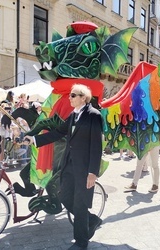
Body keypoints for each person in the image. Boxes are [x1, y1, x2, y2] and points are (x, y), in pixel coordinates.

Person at [24, 84, 103, 250]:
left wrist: (92, 172)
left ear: (83, 97)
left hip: (84, 168)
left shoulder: (93, 116)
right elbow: (58, 132)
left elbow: (97, 146)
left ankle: (81, 243)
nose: (70, 97)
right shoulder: (73, 115)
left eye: (73, 95)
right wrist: (34, 139)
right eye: (70, 95)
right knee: (65, 197)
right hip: (69, 166)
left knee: (80, 204)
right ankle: (92, 220)